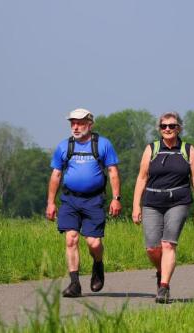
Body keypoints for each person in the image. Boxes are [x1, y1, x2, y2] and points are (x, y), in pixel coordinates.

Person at [132, 111, 194, 303]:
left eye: (172, 126)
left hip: (179, 201)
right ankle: (161, 272)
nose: (167, 129)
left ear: (179, 128)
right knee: (152, 248)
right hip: (152, 202)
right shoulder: (152, 148)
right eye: (164, 126)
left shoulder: (187, 149)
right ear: (159, 129)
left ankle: (164, 287)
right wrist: (136, 206)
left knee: (168, 244)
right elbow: (142, 178)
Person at [46, 108, 122, 297]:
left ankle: (98, 264)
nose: (76, 126)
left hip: (94, 200)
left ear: (90, 124)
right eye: (72, 123)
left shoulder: (102, 145)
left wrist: (116, 198)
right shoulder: (64, 146)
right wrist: (51, 202)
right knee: (71, 238)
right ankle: (74, 283)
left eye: (79, 123)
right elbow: (56, 174)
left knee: (94, 243)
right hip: (70, 200)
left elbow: (112, 172)